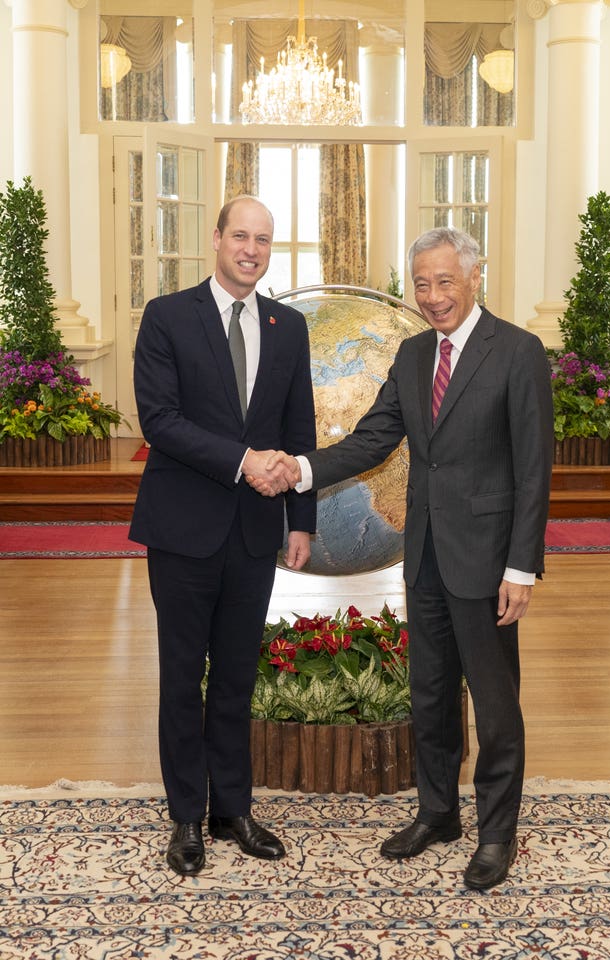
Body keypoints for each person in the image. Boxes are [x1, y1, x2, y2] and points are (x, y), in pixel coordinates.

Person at [252, 227, 554, 890]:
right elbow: (372, 441)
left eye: (446, 281)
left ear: (475, 277)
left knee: (497, 705)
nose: (433, 295)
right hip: (422, 557)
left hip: (487, 562)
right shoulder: (415, 354)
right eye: (422, 282)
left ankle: (497, 834)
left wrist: (521, 567)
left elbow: (534, 470)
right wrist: (300, 469)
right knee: (433, 694)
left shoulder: (519, 352)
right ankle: (438, 813)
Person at [129, 195, 317, 876]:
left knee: (237, 677)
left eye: (263, 240)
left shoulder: (289, 326)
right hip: (183, 530)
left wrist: (304, 519)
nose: (251, 249)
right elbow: (160, 420)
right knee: (183, 678)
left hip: (254, 534)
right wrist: (243, 462)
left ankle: (231, 808)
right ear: (216, 240)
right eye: (240, 235)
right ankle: (185, 817)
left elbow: (300, 429)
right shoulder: (167, 317)